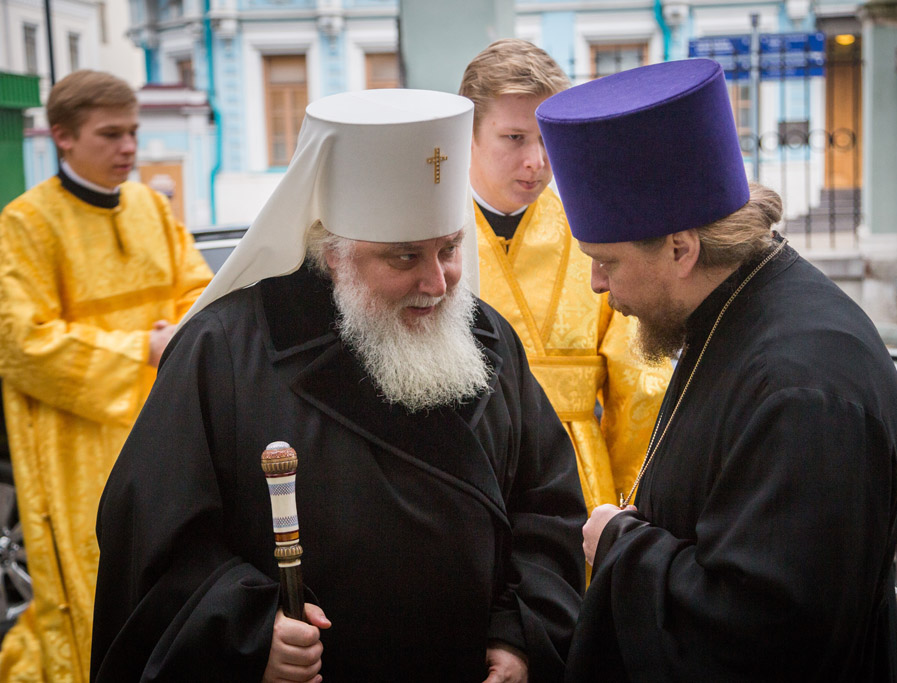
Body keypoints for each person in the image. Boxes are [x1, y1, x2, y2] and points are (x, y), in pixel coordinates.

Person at [90, 88, 586, 682]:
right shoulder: (224, 351)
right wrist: (249, 631)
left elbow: (548, 507)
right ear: (334, 253)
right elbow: (151, 539)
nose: (437, 283)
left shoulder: (488, 338)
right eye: (404, 258)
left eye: (450, 250)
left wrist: (520, 632)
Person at [535, 59, 897, 681]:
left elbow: (765, 635)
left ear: (681, 249)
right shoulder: (735, 311)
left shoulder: (803, 388)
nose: (597, 284)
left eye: (606, 261)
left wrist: (619, 545)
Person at [0, 70, 213, 681]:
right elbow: (23, 342)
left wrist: (184, 330)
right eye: (111, 134)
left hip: (166, 425)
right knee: (97, 582)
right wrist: (142, 348)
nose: (129, 148)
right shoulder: (26, 223)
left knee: (177, 569)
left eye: (134, 132)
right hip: (78, 447)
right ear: (63, 137)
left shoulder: (151, 206)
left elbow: (200, 289)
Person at [459, 39, 672, 514]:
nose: (536, 161)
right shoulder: (434, 239)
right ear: (467, 134)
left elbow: (640, 382)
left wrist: (631, 507)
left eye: (547, 138)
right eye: (514, 138)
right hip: (470, 474)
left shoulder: (599, 234)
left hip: (580, 484)